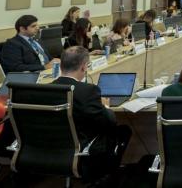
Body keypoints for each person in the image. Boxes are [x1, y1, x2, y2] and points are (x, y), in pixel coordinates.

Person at [53, 46, 132, 178]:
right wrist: (105, 107)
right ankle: (107, 176)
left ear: (61, 66)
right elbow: (110, 122)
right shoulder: (88, 91)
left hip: (52, 148)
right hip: (82, 150)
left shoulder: (46, 89)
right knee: (123, 131)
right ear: (84, 67)